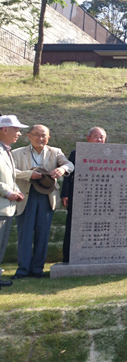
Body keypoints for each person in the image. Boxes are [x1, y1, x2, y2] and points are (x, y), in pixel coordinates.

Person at [12, 125, 74, 279]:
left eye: (44, 135)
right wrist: (29, 175)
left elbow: (70, 164)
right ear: (29, 136)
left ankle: (37, 269)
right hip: (26, 195)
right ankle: (23, 270)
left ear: (49, 137)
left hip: (47, 196)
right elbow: (11, 172)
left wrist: (62, 170)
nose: (41, 139)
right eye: (37, 135)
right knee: (25, 234)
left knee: (43, 233)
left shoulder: (55, 152)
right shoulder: (17, 153)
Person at [60, 126, 107, 263]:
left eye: (102, 137)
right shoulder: (77, 153)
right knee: (73, 227)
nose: (99, 140)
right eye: (96, 136)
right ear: (88, 138)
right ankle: (69, 257)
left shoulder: (110, 153)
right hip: (80, 197)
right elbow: (69, 175)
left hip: (101, 198)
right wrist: (65, 194)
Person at [0, 116, 27, 289]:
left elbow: (8, 176)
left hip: (6, 208)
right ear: (4, 129)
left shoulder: (6, 150)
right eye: (16, 129)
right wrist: (8, 192)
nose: (19, 133)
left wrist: (15, 189)